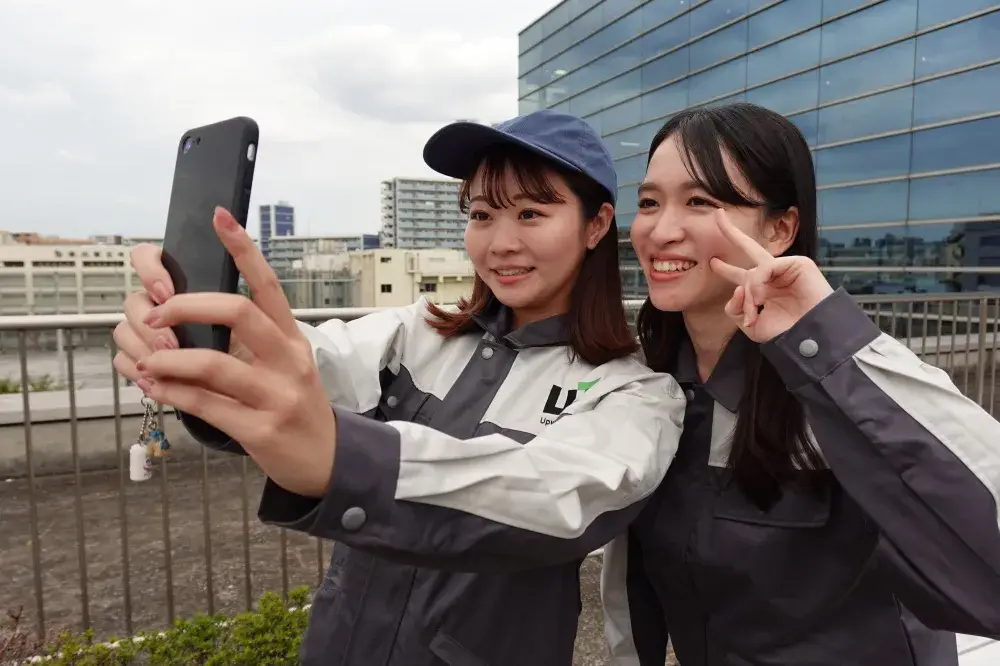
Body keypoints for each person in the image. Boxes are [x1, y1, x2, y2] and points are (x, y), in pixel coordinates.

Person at [112, 109, 686, 665]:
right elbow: (316, 361)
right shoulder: (418, 331)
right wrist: (219, 346)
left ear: (597, 224)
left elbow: (555, 498)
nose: (499, 243)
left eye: (531, 214)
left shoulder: (633, 393)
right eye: (482, 215)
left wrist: (345, 458)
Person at [601, 101, 1000, 666]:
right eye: (647, 202)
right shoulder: (649, 384)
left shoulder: (837, 380)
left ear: (781, 228)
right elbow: (629, 582)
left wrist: (828, 344)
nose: (661, 231)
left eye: (700, 202)